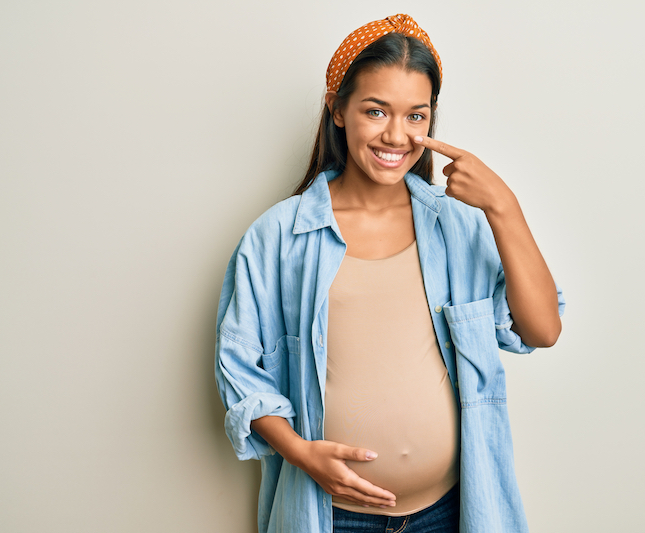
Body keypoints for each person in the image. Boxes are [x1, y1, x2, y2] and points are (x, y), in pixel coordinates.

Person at [215, 14, 565, 533]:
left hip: (453, 511)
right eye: (375, 111)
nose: (396, 135)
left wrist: (504, 208)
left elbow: (542, 330)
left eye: (416, 116)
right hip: (333, 515)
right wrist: (301, 453)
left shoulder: (458, 227)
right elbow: (239, 370)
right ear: (337, 110)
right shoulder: (278, 236)